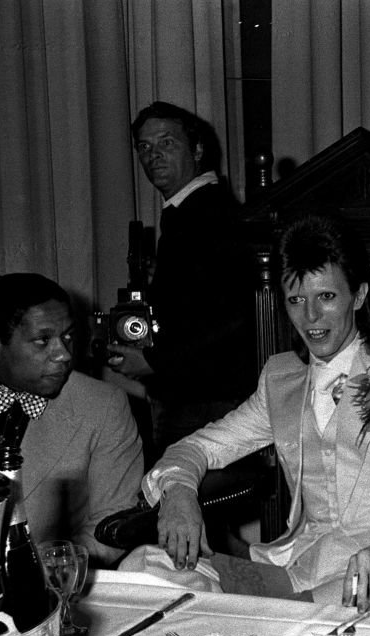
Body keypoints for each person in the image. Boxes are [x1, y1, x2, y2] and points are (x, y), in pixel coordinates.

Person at [139, 214, 370, 611]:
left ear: (358, 296)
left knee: (302, 623)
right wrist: (178, 492)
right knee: (144, 568)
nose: (310, 317)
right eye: (296, 300)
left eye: (326, 297)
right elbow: (197, 449)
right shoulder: (279, 380)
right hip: (300, 570)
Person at [0, 273, 143, 572]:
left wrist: (37, 573)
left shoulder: (104, 406)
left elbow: (114, 524)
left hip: (39, 589)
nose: (64, 354)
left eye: (67, 336)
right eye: (43, 341)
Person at [108, 101, 257, 455]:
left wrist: (153, 362)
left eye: (167, 143)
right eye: (145, 147)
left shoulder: (206, 212)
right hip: (200, 398)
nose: (153, 155)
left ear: (198, 149)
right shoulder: (189, 211)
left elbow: (236, 315)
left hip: (207, 402)